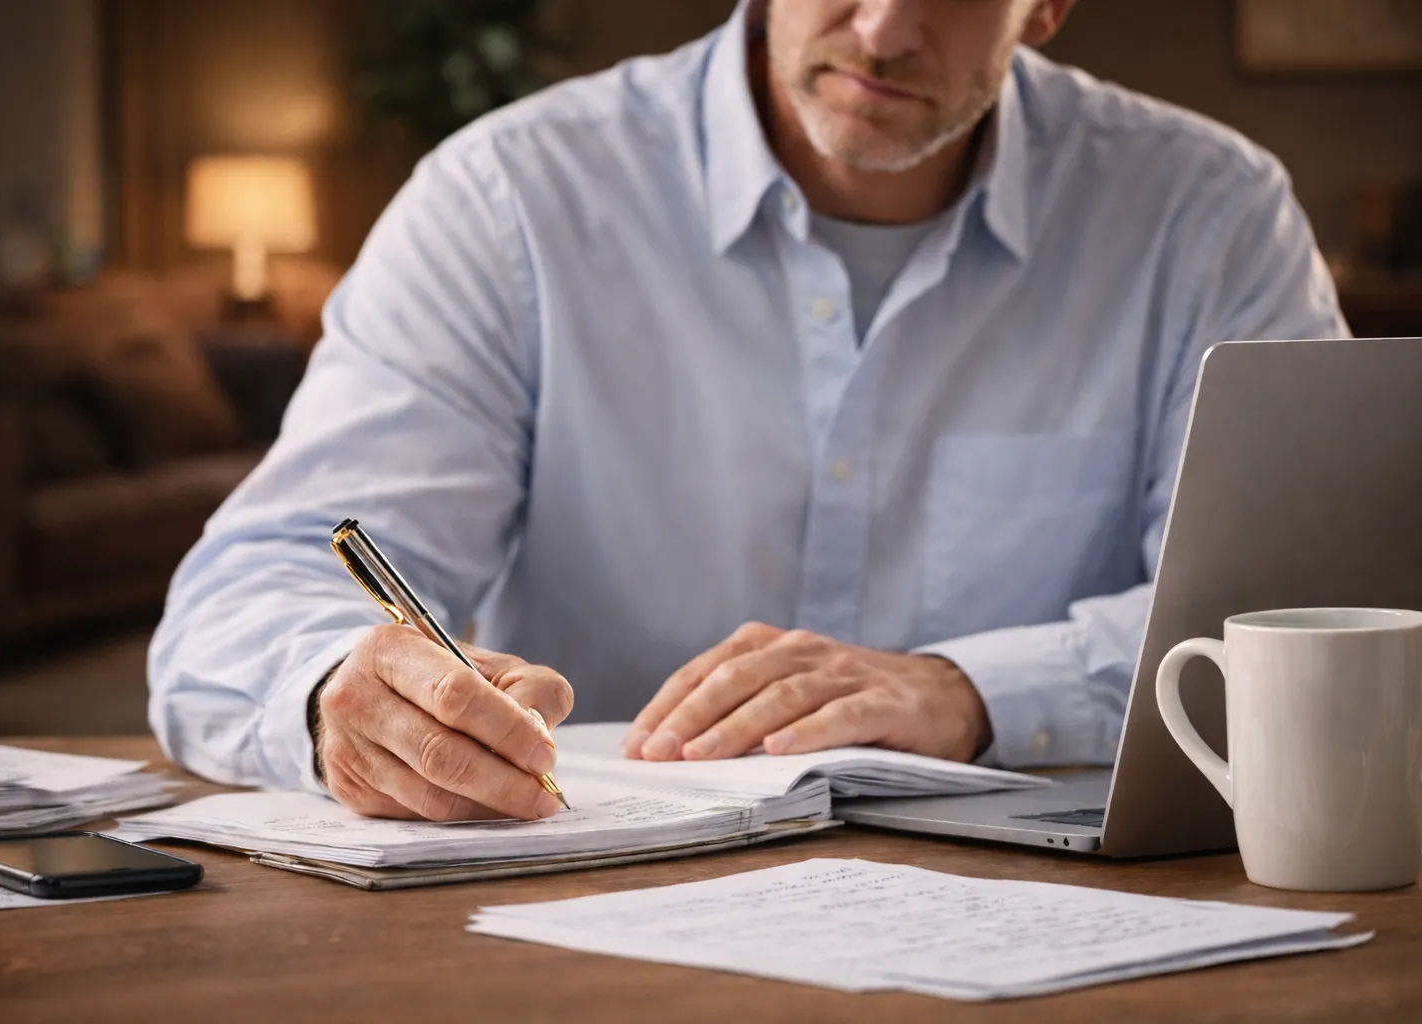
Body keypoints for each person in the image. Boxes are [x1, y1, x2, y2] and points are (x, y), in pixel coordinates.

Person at [149, 0, 1346, 822]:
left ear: (1048, 5)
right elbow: (244, 597)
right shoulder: (507, 201)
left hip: (1062, 929)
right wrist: (334, 696)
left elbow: (1316, 612)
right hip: (580, 911)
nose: (882, 28)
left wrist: (973, 690)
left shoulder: (1209, 218)